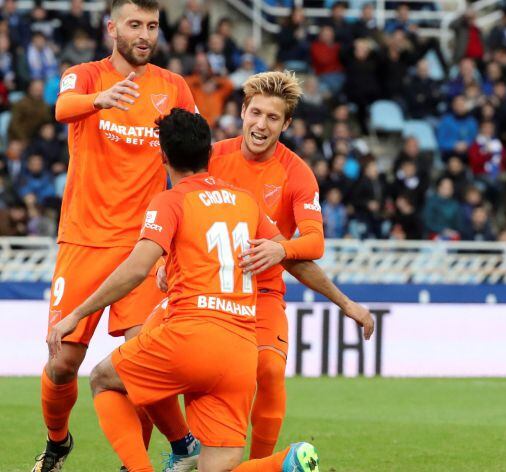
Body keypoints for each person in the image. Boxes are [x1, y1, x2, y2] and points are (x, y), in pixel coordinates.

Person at [47, 108, 319, 472]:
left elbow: (135, 268)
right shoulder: (245, 201)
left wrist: (77, 314)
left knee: (105, 379)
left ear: (163, 157)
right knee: (215, 467)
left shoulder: (171, 201)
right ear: (209, 154)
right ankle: (282, 463)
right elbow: (295, 256)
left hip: (190, 336)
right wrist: (348, 303)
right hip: (240, 349)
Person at [153, 70, 375, 460]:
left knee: (269, 370)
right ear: (242, 111)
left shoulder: (296, 173)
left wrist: (282, 251)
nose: (261, 124)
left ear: (286, 124)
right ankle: (183, 447)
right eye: (255, 113)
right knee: (148, 357)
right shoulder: (211, 156)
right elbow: (177, 211)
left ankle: (261, 465)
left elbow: (314, 242)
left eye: (273, 118)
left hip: (262, 293)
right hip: (201, 289)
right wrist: (163, 259)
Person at [34, 1, 197, 470]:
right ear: (112, 29)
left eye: (152, 26)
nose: (145, 34)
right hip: (84, 240)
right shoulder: (85, 75)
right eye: (135, 25)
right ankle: (58, 440)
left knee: (141, 360)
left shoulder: (173, 86)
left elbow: (193, 148)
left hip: (144, 246)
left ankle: (138, 462)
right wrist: (98, 101)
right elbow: (62, 107)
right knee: (63, 362)